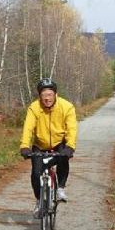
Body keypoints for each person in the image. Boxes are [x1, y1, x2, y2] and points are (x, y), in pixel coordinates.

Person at [19, 77, 77, 214]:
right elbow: (28, 128)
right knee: (35, 173)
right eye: (44, 95)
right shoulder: (34, 108)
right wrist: (25, 146)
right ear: (40, 96)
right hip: (40, 145)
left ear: (55, 94)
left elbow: (72, 128)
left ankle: (60, 189)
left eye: (50, 94)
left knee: (63, 158)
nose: (47, 98)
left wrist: (70, 146)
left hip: (59, 143)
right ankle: (39, 201)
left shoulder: (67, 107)